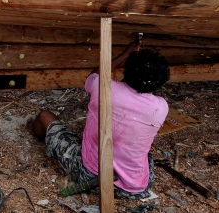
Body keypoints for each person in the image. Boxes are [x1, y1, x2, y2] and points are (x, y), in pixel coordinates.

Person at [29, 38, 170, 199]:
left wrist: (125, 54)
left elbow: (93, 76)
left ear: (125, 72)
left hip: (93, 178)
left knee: (44, 116)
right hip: (136, 187)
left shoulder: (103, 87)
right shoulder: (161, 107)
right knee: (142, 153)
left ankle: (41, 136)